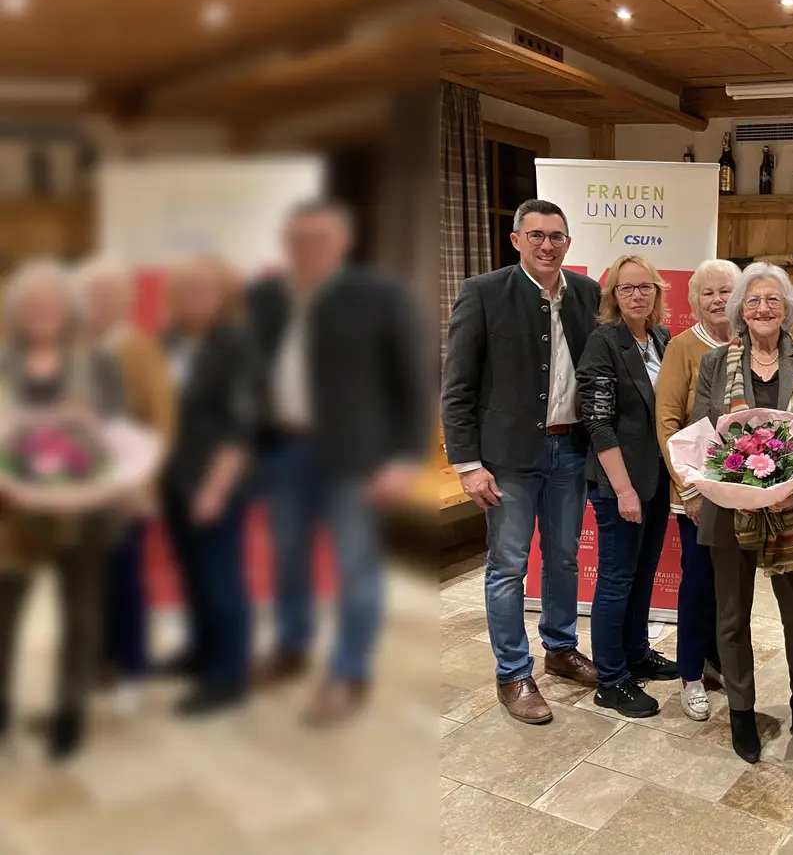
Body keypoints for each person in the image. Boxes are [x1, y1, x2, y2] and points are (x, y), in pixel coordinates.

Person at [248, 199, 429, 726]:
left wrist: (403, 457)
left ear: (343, 242)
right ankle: (291, 645)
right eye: (298, 238)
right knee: (287, 556)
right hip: (283, 449)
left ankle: (349, 672)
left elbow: (413, 380)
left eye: (319, 238)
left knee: (355, 566)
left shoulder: (381, 296)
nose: (306, 248)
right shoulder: (264, 298)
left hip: (355, 456)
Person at [443, 198, 602, 726]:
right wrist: (467, 462)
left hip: (569, 450)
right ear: (516, 240)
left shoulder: (587, 294)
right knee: (508, 567)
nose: (547, 245)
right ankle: (513, 672)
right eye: (536, 235)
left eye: (556, 236)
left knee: (562, 559)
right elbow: (458, 387)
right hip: (507, 459)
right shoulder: (484, 293)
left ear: (568, 242)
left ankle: (559, 648)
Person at [690, 262, 793, 763]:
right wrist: (733, 486)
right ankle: (741, 713)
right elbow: (702, 433)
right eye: (753, 301)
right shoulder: (715, 363)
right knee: (732, 619)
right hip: (731, 513)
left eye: (773, 300)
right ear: (740, 310)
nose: (763, 308)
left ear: (787, 307)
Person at [0, 260, 126, 759]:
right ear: (15, 311)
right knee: (3, 616)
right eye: (32, 302)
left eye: (53, 302)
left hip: (85, 515)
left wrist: (91, 424)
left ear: (72, 309)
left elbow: (120, 437)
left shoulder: (99, 363)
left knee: (81, 616)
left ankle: (69, 713)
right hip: (12, 516)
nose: (43, 311)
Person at [577, 254, 678, 719]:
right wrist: (623, 490)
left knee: (642, 573)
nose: (637, 295)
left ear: (657, 292)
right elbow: (597, 422)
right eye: (626, 288)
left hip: (656, 479)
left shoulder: (660, 337)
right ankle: (612, 679)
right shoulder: (603, 342)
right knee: (616, 580)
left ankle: (637, 653)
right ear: (613, 296)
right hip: (621, 484)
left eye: (645, 287)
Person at [76, 258, 176, 706]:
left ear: (126, 300)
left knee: (124, 581)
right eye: (88, 294)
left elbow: (162, 418)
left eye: (106, 294)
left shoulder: (139, 347)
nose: (95, 303)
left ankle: (132, 668)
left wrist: (141, 479)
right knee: (85, 582)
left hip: (124, 487)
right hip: (72, 488)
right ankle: (96, 660)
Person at [161, 256, 256, 716]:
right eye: (185, 287)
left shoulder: (238, 345)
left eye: (204, 288)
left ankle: (227, 676)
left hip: (220, 482)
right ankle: (198, 653)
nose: (193, 297)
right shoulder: (166, 341)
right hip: (171, 480)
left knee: (220, 578)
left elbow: (242, 426)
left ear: (223, 296)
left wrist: (216, 488)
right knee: (191, 573)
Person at [654, 258, 739, 721]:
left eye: (726, 290)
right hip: (696, 493)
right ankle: (690, 674)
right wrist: (688, 488)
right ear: (694, 301)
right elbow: (668, 422)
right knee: (700, 583)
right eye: (707, 293)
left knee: (731, 585)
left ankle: (717, 660)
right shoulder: (682, 348)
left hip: (745, 493)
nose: (718, 300)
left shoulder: (751, 345)